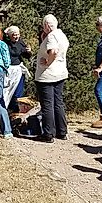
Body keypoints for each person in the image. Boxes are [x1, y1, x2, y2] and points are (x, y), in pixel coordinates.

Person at [35, 14, 69, 142]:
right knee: (58, 102)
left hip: (47, 75)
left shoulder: (52, 36)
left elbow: (53, 51)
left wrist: (48, 62)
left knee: (47, 105)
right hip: (60, 73)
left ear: (46, 25)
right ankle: (62, 131)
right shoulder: (61, 35)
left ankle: (48, 133)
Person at [4, 26, 32, 112]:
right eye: (14, 35)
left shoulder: (20, 43)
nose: (16, 37)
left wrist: (29, 51)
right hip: (8, 71)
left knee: (17, 94)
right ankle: (8, 112)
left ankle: (16, 112)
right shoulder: (5, 43)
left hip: (18, 70)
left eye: (18, 34)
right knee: (7, 93)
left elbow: (26, 55)